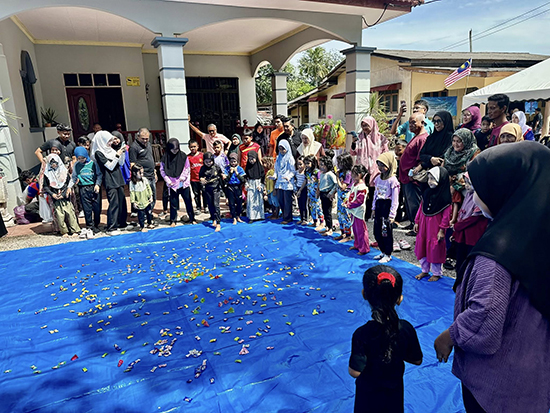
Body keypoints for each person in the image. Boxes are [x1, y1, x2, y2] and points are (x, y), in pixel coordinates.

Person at [434, 141, 550, 413]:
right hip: (533, 379)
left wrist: (449, 336)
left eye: (478, 189)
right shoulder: (540, 236)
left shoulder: (498, 251)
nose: (473, 197)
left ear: (506, 190)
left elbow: (485, 318)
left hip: (495, 387)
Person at [349, 265, 422, 413]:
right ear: (399, 299)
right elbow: (417, 360)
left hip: (367, 399)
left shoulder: (362, 334)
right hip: (394, 395)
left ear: (364, 294)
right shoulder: (405, 328)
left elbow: (355, 372)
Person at [414, 166, 452, 282]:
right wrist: (417, 221)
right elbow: (421, 208)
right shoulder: (427, 193)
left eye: (433, 179)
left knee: (435, 248)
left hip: (435, 227)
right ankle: (424, 270)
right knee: (423, 246)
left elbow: (446, 215)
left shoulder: (445, 198)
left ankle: (436, 273)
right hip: (424, 224)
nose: (430, 181)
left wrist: (442, 230)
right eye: (429, 178)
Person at [350, 116, 389, 221]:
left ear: (372, 124)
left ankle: (373, 214)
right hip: (362, 170)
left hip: (376, 170)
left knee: (374, 192)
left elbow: (386, 153)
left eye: (366, 125)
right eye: (362, 125)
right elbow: (353, 152)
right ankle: (364, 214)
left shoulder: (381, 138)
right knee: (363, 192)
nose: (364, 128)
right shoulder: (359, 137)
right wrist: (353, 143)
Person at [450, 172, 488, 274]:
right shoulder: (468, 196)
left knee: (469, 264)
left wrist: (457, 227)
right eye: (465, 182)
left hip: (473, 236)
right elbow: (462, 214)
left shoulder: (481, 198)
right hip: (463, 235)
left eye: (469, 183)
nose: (466, 186)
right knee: (460, 262)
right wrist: (455, 233)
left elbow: (473, 218)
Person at [91, 130, 127, 235]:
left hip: (118, 178)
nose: (111, 143)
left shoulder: (110, 150)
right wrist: (117, 155)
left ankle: (121, 223)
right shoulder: (98, 153)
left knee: (122, 202)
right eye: (109, 141)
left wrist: (122, 153)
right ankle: (111, 227)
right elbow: (110, 166)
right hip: (109, 180)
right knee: (114, 203)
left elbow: (121, 163)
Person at [399, 113, 429, 235]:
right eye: (409, 122)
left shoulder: (423, 138)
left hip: (413, 178)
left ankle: (418, 228)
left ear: (422, 123)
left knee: (415, 203)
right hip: (406, 177)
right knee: (409, 203)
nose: (410, 125)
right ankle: (412, 223)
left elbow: (422, 159)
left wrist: (414, 174)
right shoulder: (416, 136)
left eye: (413, 122)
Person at [444, 128, 480, 223]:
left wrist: (455, 186)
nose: (455, 144)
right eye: (454, 141)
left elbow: (471, 173)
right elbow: (444, 167)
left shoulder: (474, 153)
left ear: (466, 141)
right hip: (450, 181)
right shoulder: (450, 152)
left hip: (466, 184)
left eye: (459, 141)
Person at [42, 154, 81, 237]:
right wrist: (52, 194)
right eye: (51, 163)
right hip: (55, 197)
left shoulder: (64, 172)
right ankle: (64, 231)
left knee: (70, 214)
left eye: (55, 162)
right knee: (60, 216)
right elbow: (45, 186)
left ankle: (74, 230)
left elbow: (69, 184)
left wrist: (64, 194)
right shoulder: (47, 173)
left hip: (65, 196)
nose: (53, 164)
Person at [372, 152, 400, 264]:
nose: (380, 168)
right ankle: (382, 251)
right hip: (379, 205)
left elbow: (395, 199)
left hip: (387, 207)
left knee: (386, 232)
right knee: (377, 231)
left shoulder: (393, 181)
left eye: (383, 165)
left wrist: (392, 215)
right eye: (378, 165)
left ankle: (388, 254)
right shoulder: (378, 178)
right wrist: (373, 208)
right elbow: (375, 194)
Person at [160, 138, 196, 227]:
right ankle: (173, 220)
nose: (175, 151)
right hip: (172, 184)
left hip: (183, 184)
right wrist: (168, 180)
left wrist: (183, 177)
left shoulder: (183, 156)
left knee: (188, 202)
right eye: (172, 149)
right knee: (173, 203)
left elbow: (187, 168)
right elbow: (162, 170)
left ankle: (192, 218)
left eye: (176, 149)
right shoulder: (165, 158)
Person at [71, 146, 101, 238]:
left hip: (93, 187)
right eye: (79, 158)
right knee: (87, 209)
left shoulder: (93, 163)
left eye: (82, 158)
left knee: (97, 208)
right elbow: (74, 177)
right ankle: (89, 226)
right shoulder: (77, 165)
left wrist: (98, 184)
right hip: (83, 188)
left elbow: (99, 175)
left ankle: (96, 224)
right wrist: (69, 186)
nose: (81, 160)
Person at [345, 164, 370, 255]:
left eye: (353, 173)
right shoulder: (355, 184)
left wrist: (349, 205)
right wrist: (347, 202)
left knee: (361, 230)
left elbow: (359, 201)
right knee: (355, 229)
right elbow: (351, 195)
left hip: (358, 211)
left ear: (359, 174)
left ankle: (364, 248)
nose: (351, 175)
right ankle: (357, 244)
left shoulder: (361, 187)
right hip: (354, 211)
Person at [129, 128, 157, 208]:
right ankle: (143, 213)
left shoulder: (149, 144)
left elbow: (151, 158)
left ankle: (150, 213)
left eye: (147, 139)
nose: (145, 140)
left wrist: (154, 172)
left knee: (153, 196)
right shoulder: (134, 147)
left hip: (151, 174)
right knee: (144, 198)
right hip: (143, 176)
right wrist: (137, 177)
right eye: (143, 139)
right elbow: (132, 164)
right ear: (138, 137)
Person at [272, 140, 296, 224]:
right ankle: (284, 215)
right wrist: (274, 176)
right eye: (280, 149)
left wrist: (288, 177)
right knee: (280, 199)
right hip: (280, 182)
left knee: (287, 201)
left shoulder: (290, 158)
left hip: (287, 183)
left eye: (283, 149)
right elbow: (276, 170)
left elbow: (293, 171)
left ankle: (288, 218)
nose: (282, 151)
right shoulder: (278, 158)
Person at [199, 152, 223, 232]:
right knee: (210, 204)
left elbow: (221, 174)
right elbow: (200, 176)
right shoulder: (203, 168)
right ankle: (213, 219)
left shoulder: (216, 167)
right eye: (206, 162)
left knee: (216, 205)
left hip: (216, 188)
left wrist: (223, 176)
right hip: (207, 188)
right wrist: (202, 179)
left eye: (210, 161)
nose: (208, 163)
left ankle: (218, 223)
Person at [334, 153, 353, 242]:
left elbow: (343, 187)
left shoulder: (348, 173)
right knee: (340, 215)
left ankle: (348, 235)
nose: (338, 164)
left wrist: (337, 177)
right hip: (340, 196)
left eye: (340, 163)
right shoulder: (341, 172)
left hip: (345, 197)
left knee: (346, 215)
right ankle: (342, 233)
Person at [129, 164, 154, 232]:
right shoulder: (132, 183)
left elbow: (148, 188)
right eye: (140, 173)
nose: (142, 175)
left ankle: (149, 223)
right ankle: (142, 226)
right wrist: (133, 202)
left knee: (149, 213)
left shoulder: (144, 180)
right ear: (134, 173)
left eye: (142, 173)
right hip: (139, 202)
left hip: (146, 200)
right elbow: (132, 193)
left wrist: (151, 196)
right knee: (141, 215)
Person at [301, 155, 324, 230]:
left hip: (316, 193)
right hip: (310, 192)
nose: (306, 165)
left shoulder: (317, 172)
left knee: (318, 208)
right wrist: (300, 190)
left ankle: (322, 223)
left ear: (313, 163)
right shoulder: (307, 172)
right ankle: (315, 221)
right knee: (312, 207)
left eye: (308, 163)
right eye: (305, 163)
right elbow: (305, 181)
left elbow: (319, 182)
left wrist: (318, 191)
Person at [318, 155, 337, 236]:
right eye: (320, 164)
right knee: (324, 211)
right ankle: (327, 226)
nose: (321, 166)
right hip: (322, 193)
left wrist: (331, 193)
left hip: (327, 193)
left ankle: (330, 228)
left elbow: (336, 184)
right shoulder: (322, 174)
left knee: (328, 212)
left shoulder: (330, 174)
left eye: (322, 165)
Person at [225, 153, 245, 225]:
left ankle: (238, 216)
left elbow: (243, 180)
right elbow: (226, 180)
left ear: (237, 161)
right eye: (231, 162)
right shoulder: (227, 169)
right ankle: (234, 217)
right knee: (231, 203)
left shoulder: (240, 169)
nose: (233, 163)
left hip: (238, 187)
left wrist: (237, 173)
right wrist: (230, 173)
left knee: (239, 203)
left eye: (234, 161)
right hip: (230, 187)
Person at [245, 151, 265, 223]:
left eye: (252, 159)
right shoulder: (248, 167)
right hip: (251, 184)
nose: (251, 161)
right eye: (249, 159)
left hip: (257, 184)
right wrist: (247, 184)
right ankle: (252, 217)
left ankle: (260, 216)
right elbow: (246, 176)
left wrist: (261, 185)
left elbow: (263, 177)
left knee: (258, 200)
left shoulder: (260, 168)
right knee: (251, 201)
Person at [188, 139, 207, 215]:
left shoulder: (202, 155)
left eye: (194, 146)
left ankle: (206, 206)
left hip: (203, 179)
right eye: (191, 147)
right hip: (193, 179)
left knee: (205, 193)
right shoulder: (188, 157)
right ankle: (198, 207)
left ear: (198, 146)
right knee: (196, 194)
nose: (193, 148)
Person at [294, 155, 308, 225]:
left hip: (304, 189)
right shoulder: (296, 172)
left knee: (304, 204)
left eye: (301, 164)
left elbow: (305, 182)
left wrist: (300, 190)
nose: (299, 166)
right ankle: (301, 218)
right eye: (298, 164)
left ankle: (305, 219)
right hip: (298, 188)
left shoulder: (305, 173)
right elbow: (295, 180)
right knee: (299, 204)